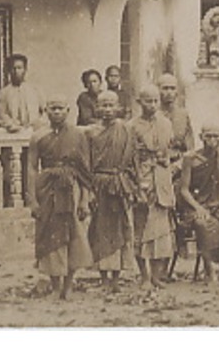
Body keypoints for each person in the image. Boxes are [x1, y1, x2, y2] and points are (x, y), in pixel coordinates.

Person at [30, 96, 93, 299]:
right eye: (52, 108)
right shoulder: (38, 137)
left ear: (68, 111)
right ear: (46, 111)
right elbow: (31, 169)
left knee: (73, 236)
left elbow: (84, 170)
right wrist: (32, 199)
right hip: (47, 189)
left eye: (60, 108)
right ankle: (55, 286)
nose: (56, 112)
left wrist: (84, 199)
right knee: (50, 236)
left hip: (71, 189)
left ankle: (69, 285)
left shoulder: (78, 135)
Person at [86, 90, 139, 291]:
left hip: (119, 184)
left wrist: (132, 186)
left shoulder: (125, 130)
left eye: (111, 105)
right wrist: (89, 189)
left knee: (119, 229)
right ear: (97, 108)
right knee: (100, 230)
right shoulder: (91, 133)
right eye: (103, 106)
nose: (107, 110)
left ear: (117, 108)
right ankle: (104, 279)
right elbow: (87, 162)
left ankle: (116, 279)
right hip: (99, 184)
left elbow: (132, 160)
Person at [179, 122, 219, 285]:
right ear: (201, 138)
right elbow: (184, 190)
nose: (213, 140)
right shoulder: (190, 158)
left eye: (216, 136)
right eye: (209, 136)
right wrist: (198, 208)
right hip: (197, 206)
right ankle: (209, 271)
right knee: (203, 224)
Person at [129, 89, 178, 288]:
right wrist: (138, 183)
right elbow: (130, 158)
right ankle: (144, 276)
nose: (152, 105)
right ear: (139, 102)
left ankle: (158, 275)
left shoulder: (166, 123)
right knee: (141, 229)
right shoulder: (132, 126)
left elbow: (173, 149)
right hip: (142, 176)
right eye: (148, 101)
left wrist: (168, 160)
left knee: (162, 231)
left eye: (155, 101)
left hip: (162, 178)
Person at [0, 54, 40, 131]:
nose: (16, 71)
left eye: (19, 68)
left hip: (33, 131)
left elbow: (45, 111)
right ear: (9, 71)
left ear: (25, 70)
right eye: (13, 68)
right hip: (13, 131)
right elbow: (1, 113)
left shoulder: (34, 90)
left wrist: (38, 123)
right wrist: (11, 123)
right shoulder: (4, 92)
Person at [157, 74, 194, 158]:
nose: (169, 92)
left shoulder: (183, 115)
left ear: (177, 92)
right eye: (165, 88)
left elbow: (190, 148)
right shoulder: (153, 115)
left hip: (179, 162)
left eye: (172, 88)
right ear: (158, 91)